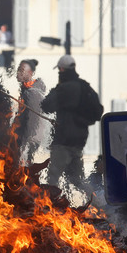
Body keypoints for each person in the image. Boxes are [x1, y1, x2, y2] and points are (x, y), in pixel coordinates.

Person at [41, 54, 102, 198]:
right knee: (78, 181)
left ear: (61, 69)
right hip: (79, 141)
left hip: (63, 141)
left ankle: (50, 209)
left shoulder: (64, 88)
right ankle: (99, 206)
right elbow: (98, 111)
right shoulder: (85, 86)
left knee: (52, 180)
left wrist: (57, 88)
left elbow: (46, 105)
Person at [14, 59, 49, 166]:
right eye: (18, 69)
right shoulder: (26, 90)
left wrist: (23, 144)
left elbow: (32, 122)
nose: (18, 73)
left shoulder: (32, 93)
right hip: (29, 142)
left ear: (30, 73)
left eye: (22, 70)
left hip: (29, 143)